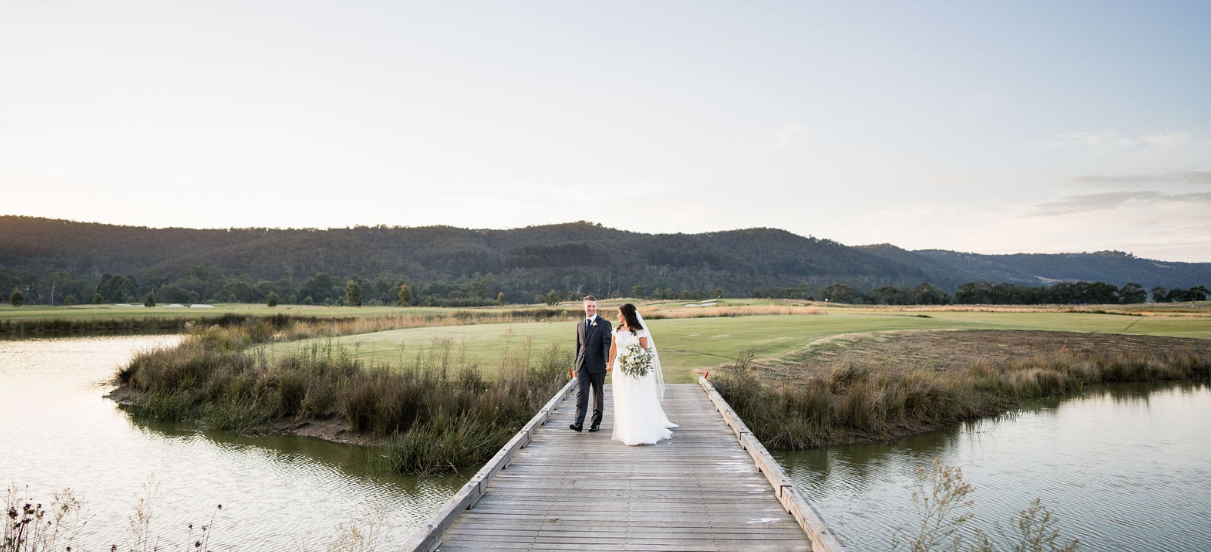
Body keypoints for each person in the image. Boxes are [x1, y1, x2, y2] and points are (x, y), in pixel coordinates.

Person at [608, 303, 677, 445]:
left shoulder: (640, 331)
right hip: (620, 370)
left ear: (625, 315)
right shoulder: (616, 331)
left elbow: (646, 351)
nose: (617, 316)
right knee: (624, 399)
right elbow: (613, 348)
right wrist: (610, 364)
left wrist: (638, 362)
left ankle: (641, 431)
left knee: (637, 398)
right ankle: (627, 431)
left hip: (636, 371)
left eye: (619, 313)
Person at [570, 295, 611, 432]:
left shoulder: (604, 324)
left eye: (593, 306)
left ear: (596, 307)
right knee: (581, 393)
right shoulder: (580, 325)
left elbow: (607, 344)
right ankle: (578, 422)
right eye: (589, 306)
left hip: (598, 364)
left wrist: (607, 361)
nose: (591, 308)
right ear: (584, 307)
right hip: (582, 365)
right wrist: (576, 365)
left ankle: (595, 422)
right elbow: (578, 346)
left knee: (597, 394)